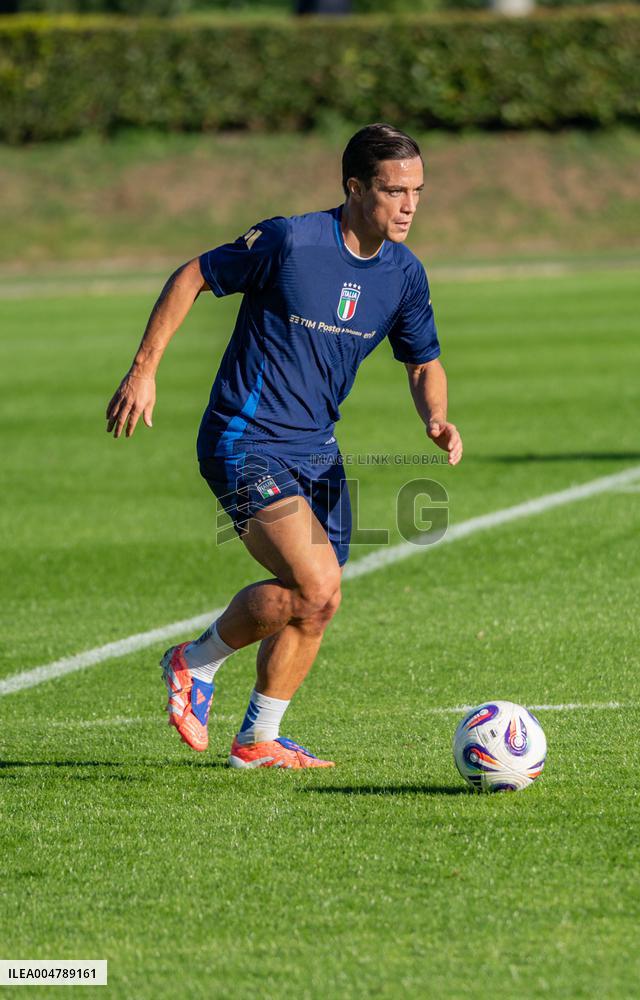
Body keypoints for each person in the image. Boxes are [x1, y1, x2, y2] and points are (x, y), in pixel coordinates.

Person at [106, 123, 463, 769]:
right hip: (244, 439)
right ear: (355, 188)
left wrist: (435, 417)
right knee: (314, 580)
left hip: (317, 451)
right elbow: (193, 275)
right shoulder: (290, 240)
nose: (409, 205)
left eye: (417, 191)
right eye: (393, 190)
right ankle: (194, 663)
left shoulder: (404, 275)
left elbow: (421, 361)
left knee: (318, 600)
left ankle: (258, 739)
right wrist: (144, 370)